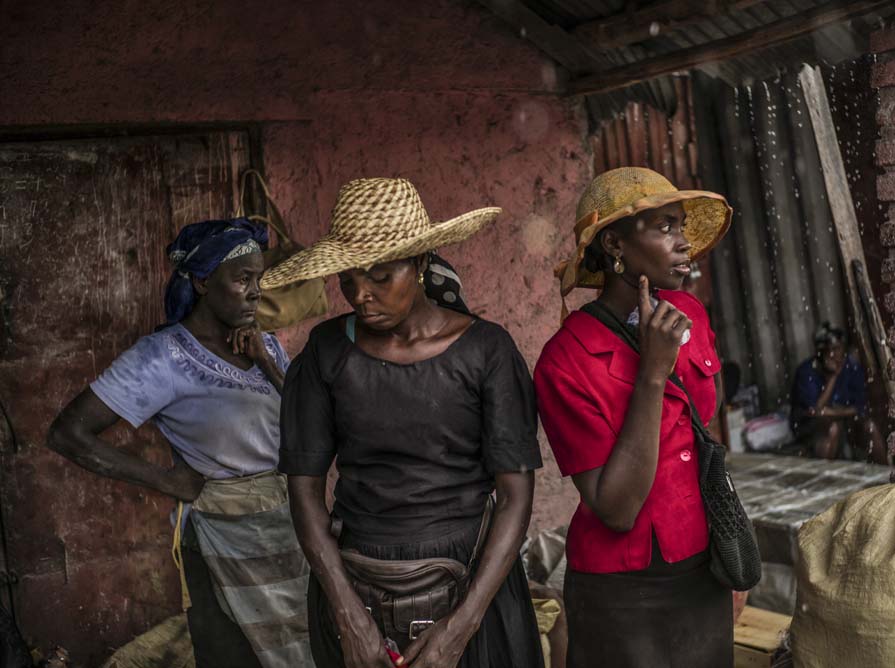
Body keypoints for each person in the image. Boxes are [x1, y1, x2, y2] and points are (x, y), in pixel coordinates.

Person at [263, 177, 544, 668]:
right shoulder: (327, 354)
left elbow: (515, 497)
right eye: (349, 278)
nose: (360, 295)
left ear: (418, 265)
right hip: (355, 579)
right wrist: (348, 616)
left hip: (472, 579)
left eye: (379, 276)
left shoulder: (487, 352)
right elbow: (304, 492)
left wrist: (462, 625)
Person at [46, 218, 314, 668]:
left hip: (288, 525)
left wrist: (268, 364)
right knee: (235, 656)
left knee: (308, 647)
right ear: (204, 282)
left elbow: (305, 425)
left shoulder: (263, 344)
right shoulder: (162, 357)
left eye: (259, 279)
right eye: (242, 279)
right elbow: (67, 433)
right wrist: (167, 479)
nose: (255, 292)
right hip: (221, 538)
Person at [534, 167, 736, 667]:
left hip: (701, 566)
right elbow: (616, 508)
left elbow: (705, 427)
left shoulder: (690, 312)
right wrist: (651, 372)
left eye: (681, 225)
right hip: (621, 590)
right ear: (615, 244)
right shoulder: (566, 359)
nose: (684, 242)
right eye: (664, 227)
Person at [790, 322, 887, 463]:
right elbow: (815, 411)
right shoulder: (806, 372)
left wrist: (833, 412)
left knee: (870, 427)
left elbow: (860, 406)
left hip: (845, 419)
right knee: (832, 428)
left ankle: (885, 473)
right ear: (820, 352)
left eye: (838, 348)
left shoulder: (850, 367)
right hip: (812, 426)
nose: (835, 354)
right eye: (831, 350)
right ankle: (824, 475)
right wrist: (833, 377)